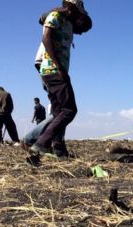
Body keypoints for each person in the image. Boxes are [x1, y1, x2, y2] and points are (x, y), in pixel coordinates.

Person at [31, 0, 91, 158]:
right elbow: (46, 38)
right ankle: (40, 143)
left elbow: (85, 26)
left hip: (56, 70)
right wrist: (58, 66)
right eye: (79, 13)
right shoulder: (56, 15)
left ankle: (58, 149)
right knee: (69, 109)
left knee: (58, 112)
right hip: (53, 70)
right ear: (72, 8)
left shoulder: (70, 24)